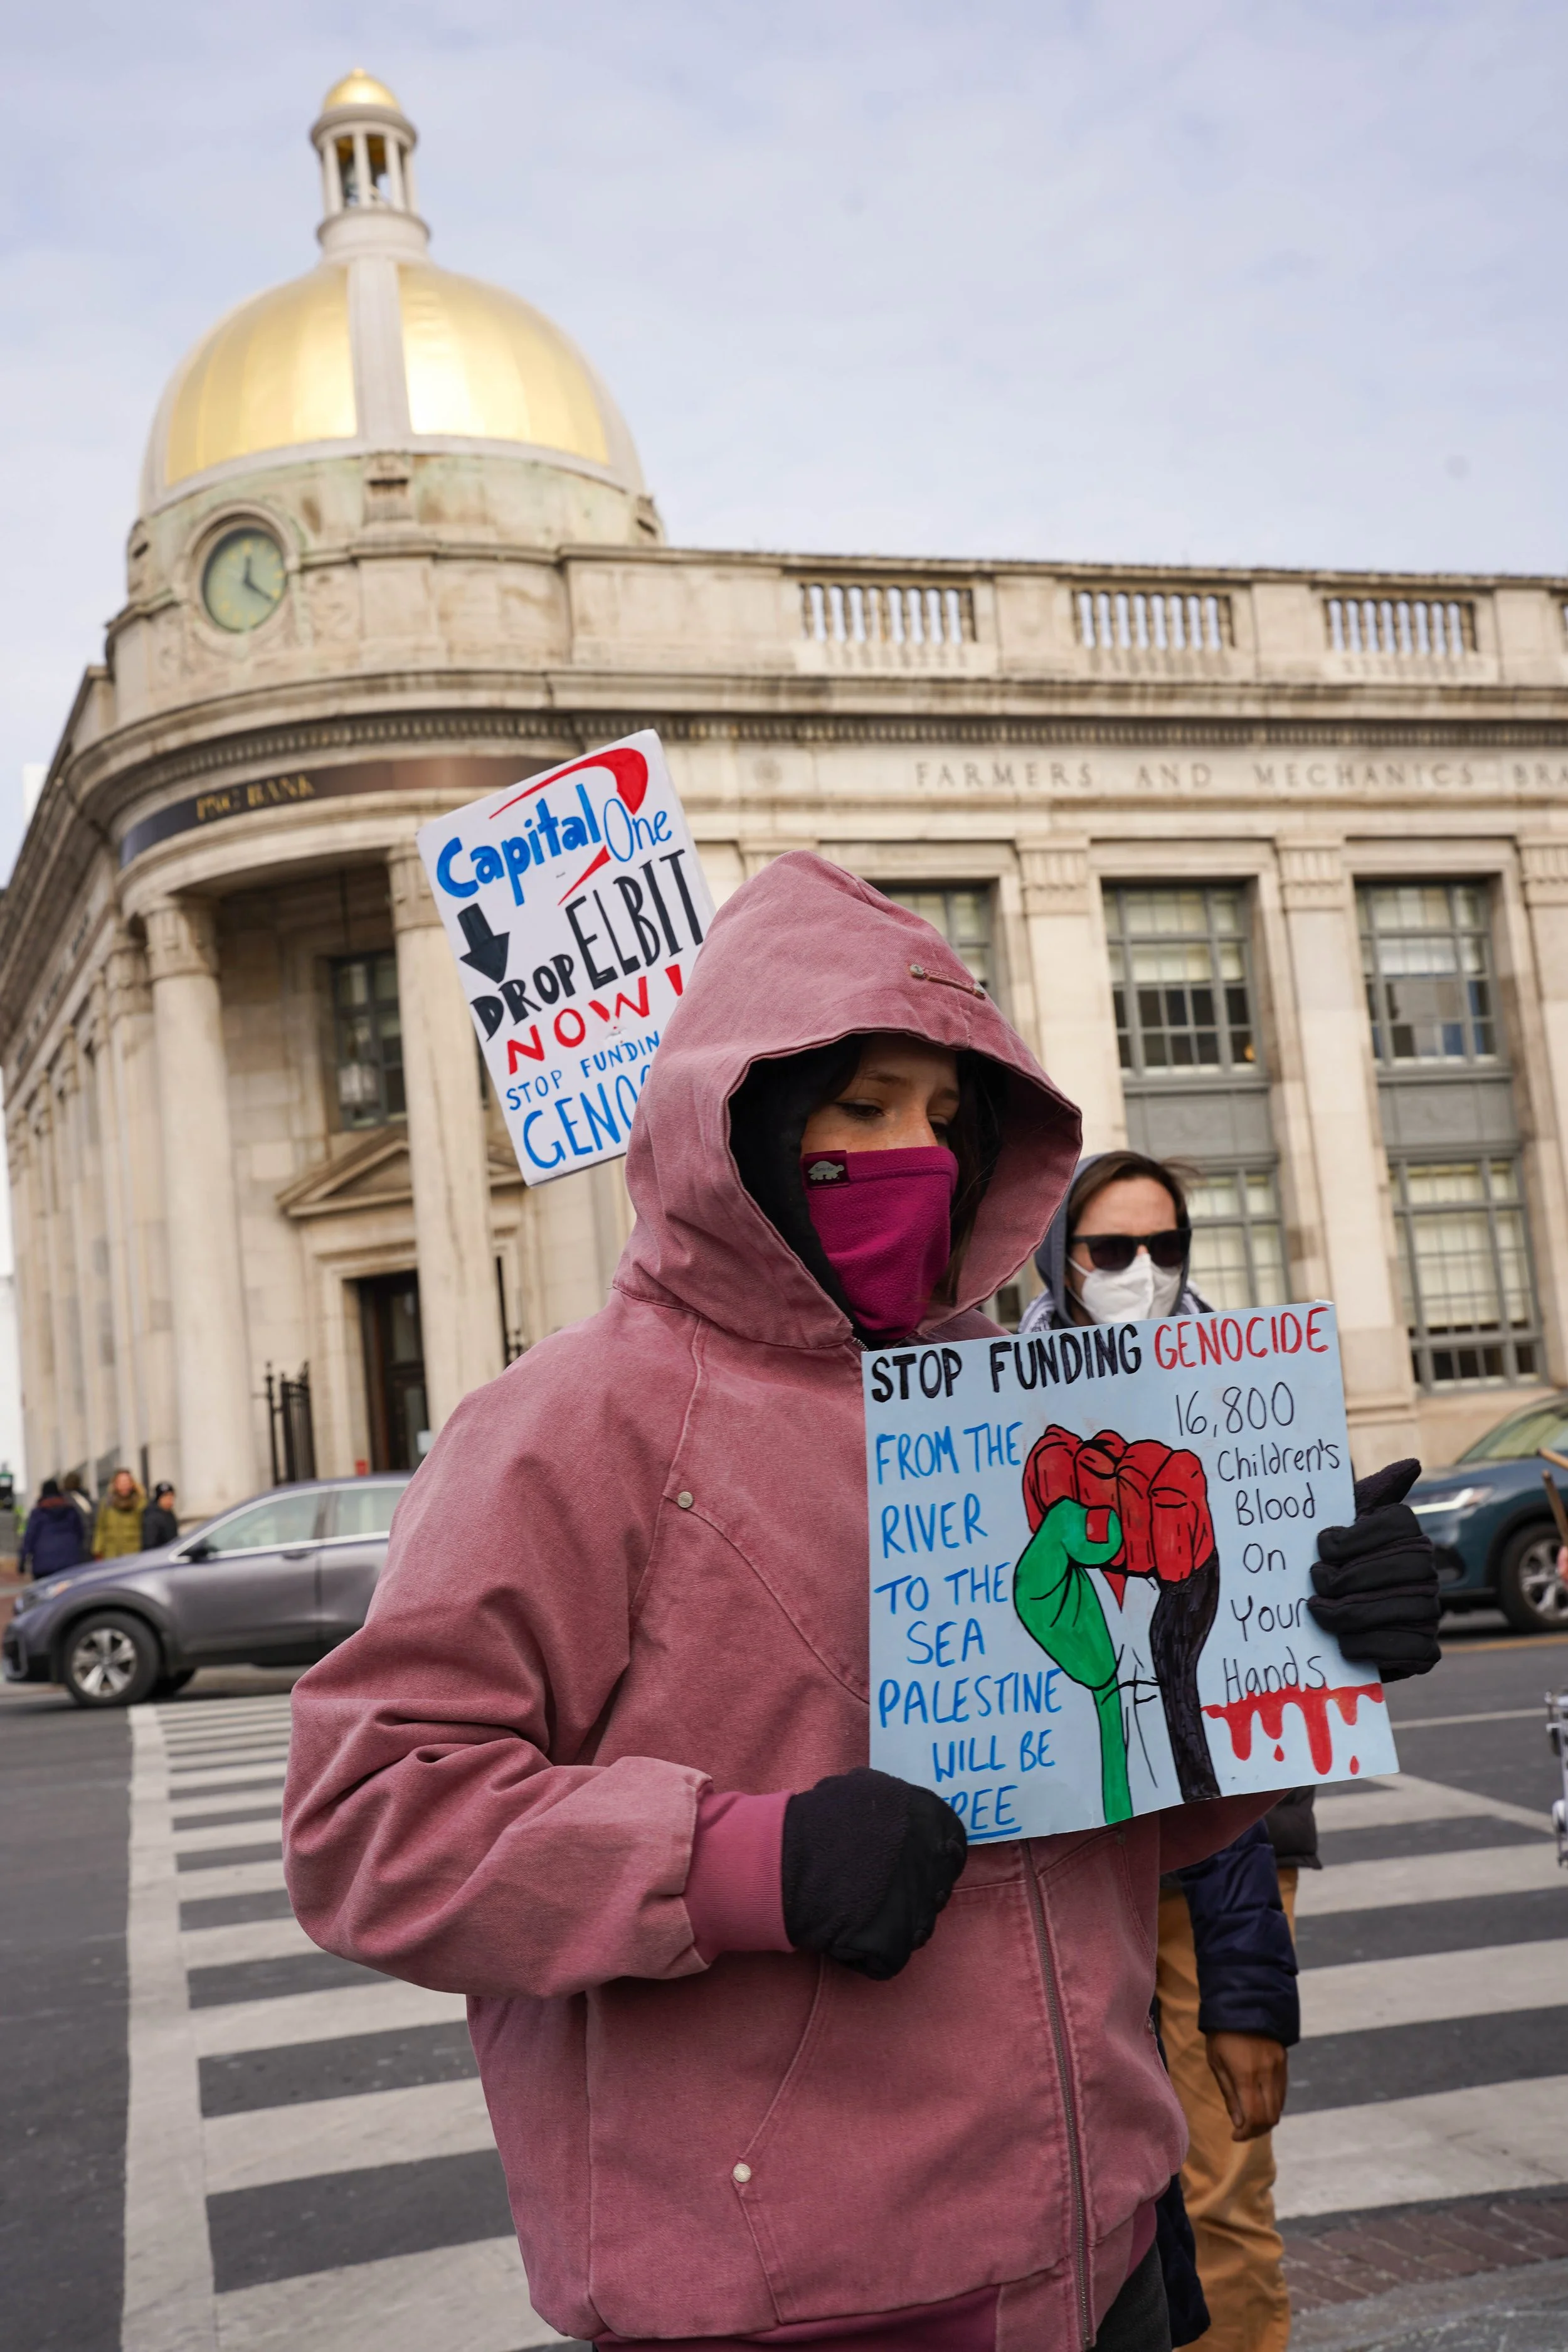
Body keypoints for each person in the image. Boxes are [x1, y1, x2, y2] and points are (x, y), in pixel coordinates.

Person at [283, 855, 1440, 2352]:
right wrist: (748, 1859)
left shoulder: (1017, 1401)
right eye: (864, 1105)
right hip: (797, 2300)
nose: (920, 1151)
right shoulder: (569, 1419)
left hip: (1104, 2252)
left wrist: (1296, 1653)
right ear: (750, 1113)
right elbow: (368, 1820)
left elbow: (1099, 1805)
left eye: (951, 1120)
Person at [1022, 1149, 1438, 2352]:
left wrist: (1366, 1588)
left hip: (1227, 1861)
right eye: (1110, 1251)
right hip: (1068, 1867)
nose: (1141, 1274)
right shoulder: (995, 1403)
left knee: (1222, 2197)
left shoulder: (1261, 1395)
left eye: (1167, 1249)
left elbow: (1274, 1672)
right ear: (1060, 1258)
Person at [19, 1479, 86, 1581]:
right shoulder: (70, 1510)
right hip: (69, 1560)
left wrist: (22, 1560)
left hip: (44, 1562)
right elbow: (80, 1532)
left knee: (45, 1594)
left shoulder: (38, 1512)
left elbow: (29, 1537)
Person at [92, 1466, 147, 1559]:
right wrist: (97, 1550)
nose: (124, 1485)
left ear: (132, 1484)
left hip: (134, 1554)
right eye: (121, 1482)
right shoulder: (107, 1504)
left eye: (127, 1482)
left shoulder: (140, 1503)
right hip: (111, 1554)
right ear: (115, 1484)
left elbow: (146, 1529)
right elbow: (100, 1528)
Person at [142, 1482, 179, 1548]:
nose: (169, 1501)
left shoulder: (169, 1513)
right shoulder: (152, 1516)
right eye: (166, 1497)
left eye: (171, 1497)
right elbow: (150, 1542)